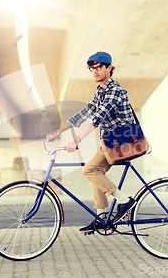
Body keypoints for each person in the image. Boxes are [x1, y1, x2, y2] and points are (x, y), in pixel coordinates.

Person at [46, 51, 136, 231]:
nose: (94, 71)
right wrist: (60, 131)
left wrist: (77, 140)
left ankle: (125, 201)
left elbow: (96, 118)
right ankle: (102, 217)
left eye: (98, 67)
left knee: (88, 170)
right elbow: (85, 112)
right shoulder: (101, 91)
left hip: (123, 140)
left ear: (109, 68)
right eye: (91, 68)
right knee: (94, 172)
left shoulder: (114, 91)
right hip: (111, 142)